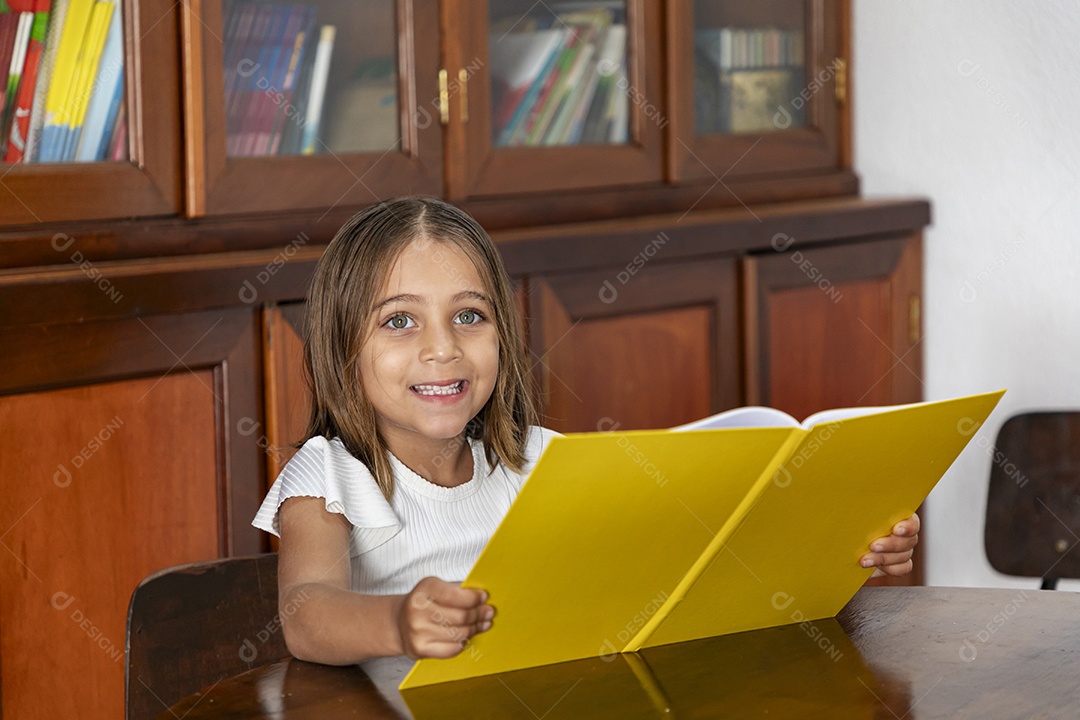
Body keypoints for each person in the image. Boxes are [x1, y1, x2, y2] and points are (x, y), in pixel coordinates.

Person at [252, 196, 920, 665]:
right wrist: (399, 622)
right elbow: (307, 613)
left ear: (504, 337)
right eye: (399, 320)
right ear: (341, 343)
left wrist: (846, 546)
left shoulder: (543, 462)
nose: (442, 348)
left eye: (470, 316)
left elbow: (684, 581)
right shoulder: (328, 475)